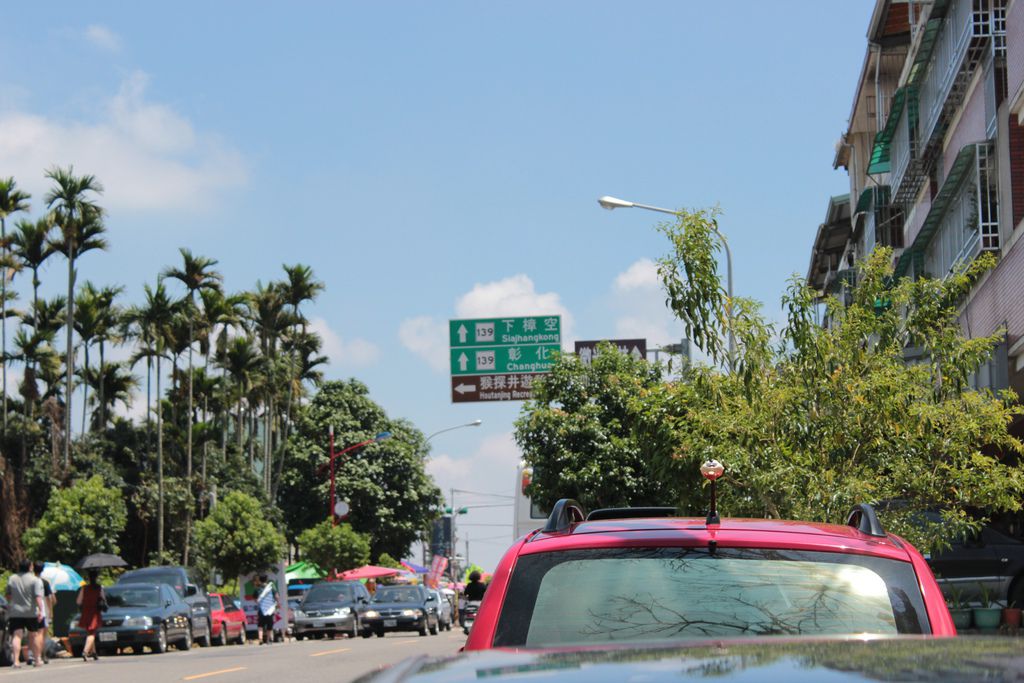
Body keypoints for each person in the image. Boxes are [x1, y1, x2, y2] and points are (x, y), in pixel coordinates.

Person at [4, 560, 46, 669]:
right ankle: (37, 660)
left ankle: (16, 661)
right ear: (30, 567)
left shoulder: (12, 578)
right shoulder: (35, 580)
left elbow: (8, 595)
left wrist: (11, 604)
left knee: (17, 636)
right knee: (34, 635)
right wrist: (41, 610)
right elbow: (38, 597)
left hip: (16, 612)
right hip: (31, 612)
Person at [76, 570, 104, 662]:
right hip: (95, 612)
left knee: (90, 632)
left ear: (88, 578)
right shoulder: (99, 588)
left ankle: (94, 653)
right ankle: (85, 651)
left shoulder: (84, 588)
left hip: (86, 611)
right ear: (96, 577)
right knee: (92, 634)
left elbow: (78, 601)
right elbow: (103, 599)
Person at [30, 562, 55, 665]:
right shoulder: (45, 582)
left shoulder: (29, 581)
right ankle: (40, 655)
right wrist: (50, 612)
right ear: (42, 570)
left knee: (32, 634)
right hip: (43, 611)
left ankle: (34, 655)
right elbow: (50, 599)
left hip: (30, 610)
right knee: (42, 635)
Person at [255, 574, 277, 645]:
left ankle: (260, 639)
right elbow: (277, 596)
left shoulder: (258, 589)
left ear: (260, 580)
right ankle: (268, 640)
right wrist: (275, 603)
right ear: (266, 579)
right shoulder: (271, 587)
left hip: (261, 610)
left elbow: (255, 599)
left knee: (260, 625)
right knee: (269, 625)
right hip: (269, 610)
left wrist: (260, 603)